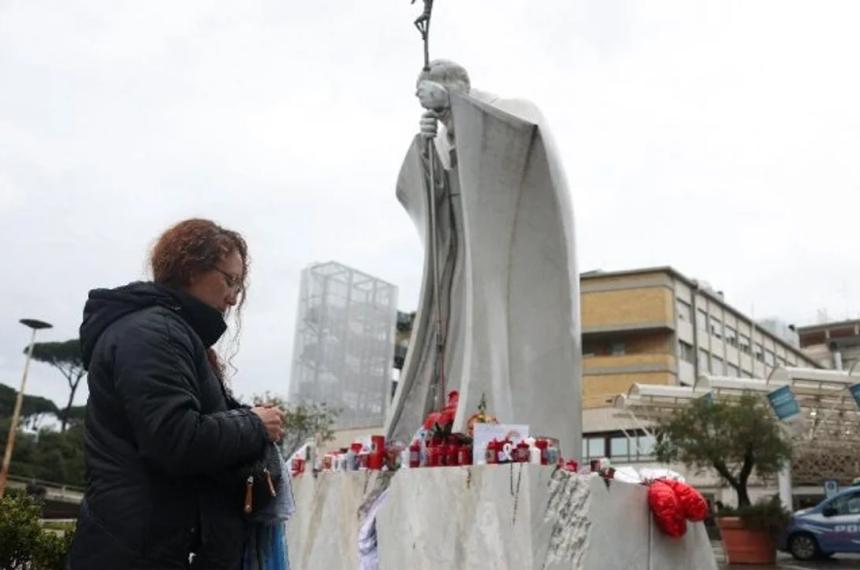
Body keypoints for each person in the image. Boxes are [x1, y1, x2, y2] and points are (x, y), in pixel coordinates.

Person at [386, 60, 582, 459]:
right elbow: (429, 195)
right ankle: (450, 426)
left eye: (441, 106)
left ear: (457, 89)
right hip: (461, 251)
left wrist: (460, 110)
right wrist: (426, 152)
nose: (439, 119)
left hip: (500, 251)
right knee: (456, 333)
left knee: (491, 331)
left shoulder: (514, 109)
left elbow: (522, 144)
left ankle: (494, 427)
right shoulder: (438, 138)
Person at [68, 218, 285, 570]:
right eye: (229, 280)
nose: (232, 298)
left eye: (239, 287)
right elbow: (174, 438)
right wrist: (254, 424)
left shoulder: (170, 333)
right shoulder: (155, 334)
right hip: (148, 552)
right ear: (191, 269)